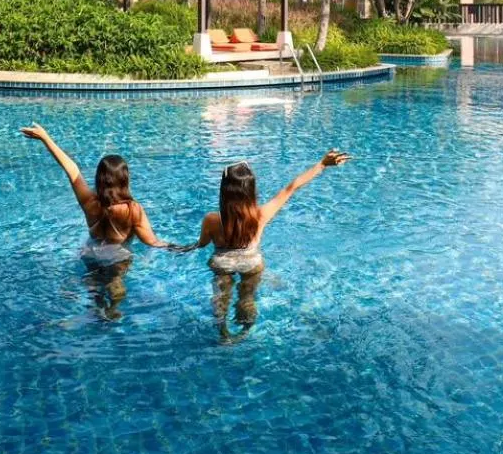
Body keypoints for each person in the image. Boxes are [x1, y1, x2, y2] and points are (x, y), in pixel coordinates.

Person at [179, 149, 351, 336]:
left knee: (221, 297)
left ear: (224, 192)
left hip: (222, 263)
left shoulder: (212, 219)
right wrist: (322, 164)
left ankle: (223, 333)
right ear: (251, 191)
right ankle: (245, 330)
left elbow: (202, 244)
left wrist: (186, 247)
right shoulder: (260, 215)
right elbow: (291, 188)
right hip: (251, 263)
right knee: (247, 298)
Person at [20, 123, 167, 318]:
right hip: (117, 256)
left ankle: (98, 310)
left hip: (91, 252)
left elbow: (71, 170)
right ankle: (112, 310)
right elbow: (151, 241)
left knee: (95, 286)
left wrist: (45, 138)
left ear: (99, 178)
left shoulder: (89, 201)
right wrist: (177, 247)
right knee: (115, 282)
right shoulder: (133, 209)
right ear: (124, 179)